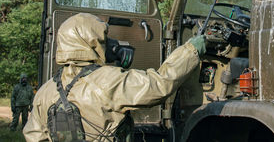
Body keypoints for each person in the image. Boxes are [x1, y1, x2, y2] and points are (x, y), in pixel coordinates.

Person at [23, 13, 206, 141]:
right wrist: (191, 50)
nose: (109, 43)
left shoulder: (45, 91)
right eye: (103, 38)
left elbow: (34, 136)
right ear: (91, 42)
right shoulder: (108, 81)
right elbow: (159, 85)